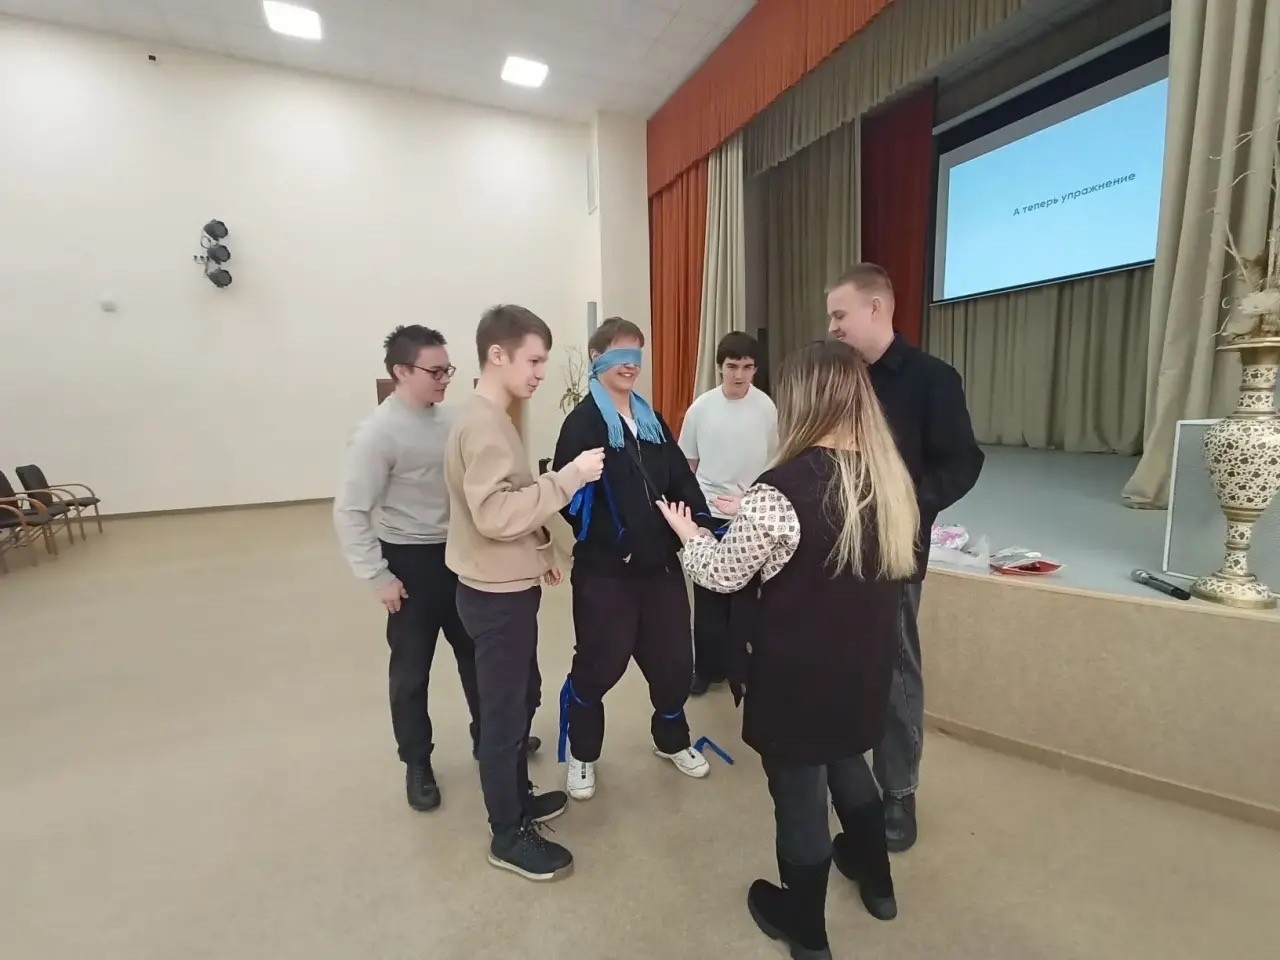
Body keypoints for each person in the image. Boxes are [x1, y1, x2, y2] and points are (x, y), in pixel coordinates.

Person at [657, 340, 918, 959]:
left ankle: (804, 929)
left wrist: (690, 534)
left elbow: (723, 575)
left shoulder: (778, 493)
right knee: (848, 760)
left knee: (799, 795)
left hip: (796, 679)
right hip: (863, 672)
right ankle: (877, 882)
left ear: (802, 402)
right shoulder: (889, 480)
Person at [334, 324, 537, 815]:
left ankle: (490, 739)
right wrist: (378, 576)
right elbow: (350, 511)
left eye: (448, 369)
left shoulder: (453, 420)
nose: (445, 379)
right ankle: (417, 761)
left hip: (461, 556)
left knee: (478, 659)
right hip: (410, 564)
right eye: (435, 371)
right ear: (401, 371)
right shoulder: (377, 434)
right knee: (411, 672)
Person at [826, 263, 985, 853]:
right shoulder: (837, 378)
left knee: (893, 670)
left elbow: (962, 462)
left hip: (893, 550)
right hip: (830, 545)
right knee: (837, 663)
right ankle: (845, 775)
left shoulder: (932, 380)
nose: (832, 327)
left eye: (839, 314)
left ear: (876, 308)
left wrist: (904, 503)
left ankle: (898, 790)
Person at [444, 305, 605, 882]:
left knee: (521, 697)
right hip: (495, 597)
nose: (540, 372)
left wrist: (544, 552)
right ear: (498, 354)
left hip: (506, 583)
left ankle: (517, 800)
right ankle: (506, 833)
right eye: (534, 360)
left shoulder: (495, 415)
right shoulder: (484, 423)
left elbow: (511, 498)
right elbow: (494, 514)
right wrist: (569, 478)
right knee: (504, 717)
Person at [551, 316, 715, 803]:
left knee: (673, 662)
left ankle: (672, 740)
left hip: (660, 567)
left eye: (636, 355)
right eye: (620, 355)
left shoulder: (650, 419)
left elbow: (679, 477)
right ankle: (582, 754)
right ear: (597, 358)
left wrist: (699, 520)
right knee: (600, 663)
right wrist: (614, 538)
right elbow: (565, 495)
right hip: (607, 572)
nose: (630, 365)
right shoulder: (582, 423)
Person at [678, 331, 777, 697]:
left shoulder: (766, 408)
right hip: (709, 510)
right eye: (732, 366)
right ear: (720, 367)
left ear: (755, 369)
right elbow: (687, 464)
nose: (739, 374)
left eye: (747, 367)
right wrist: (690, 513)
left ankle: (742, 669)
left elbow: (774, 461)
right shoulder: (701, 408)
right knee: (708, 598)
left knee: (746, 600)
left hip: (750, 514)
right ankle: (706, 669)